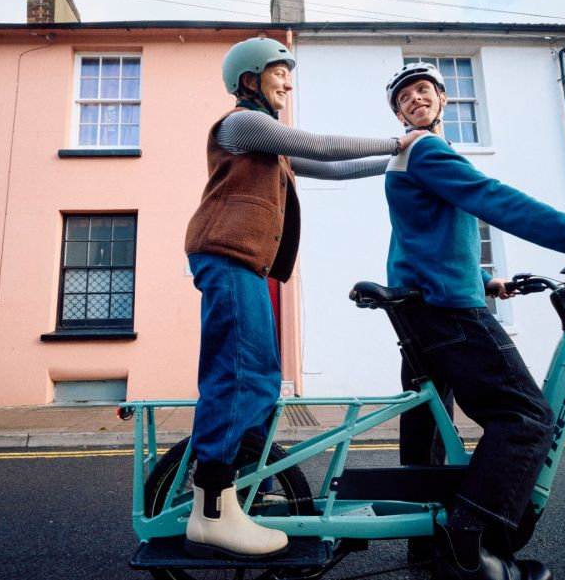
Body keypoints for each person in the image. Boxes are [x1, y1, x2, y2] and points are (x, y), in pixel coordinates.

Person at [382, 62, 565, 580]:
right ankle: (469, 550)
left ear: (442, 99)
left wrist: (486, 280)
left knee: (428, 426)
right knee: (525, 417)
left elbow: (425, 237)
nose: (415, 99)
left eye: (423, 90)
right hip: (446, 309)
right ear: (399, 113)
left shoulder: (415, 157)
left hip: (423, 304)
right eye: (404, 97)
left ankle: (427, 545)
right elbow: (496, 200)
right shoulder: (427, 150)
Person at [182, 37, 425, 560]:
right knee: (242, 375)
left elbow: (333, 168)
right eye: (279, 73)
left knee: (262, 378)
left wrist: (405, 158)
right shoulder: (241, 125)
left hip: (245, 265)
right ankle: (212, 510)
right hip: (227, 258)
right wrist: (395, 141)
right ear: (249, 79)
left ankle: (244, 487)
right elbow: (320, 145)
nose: (287, 83)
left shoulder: (269, 147)